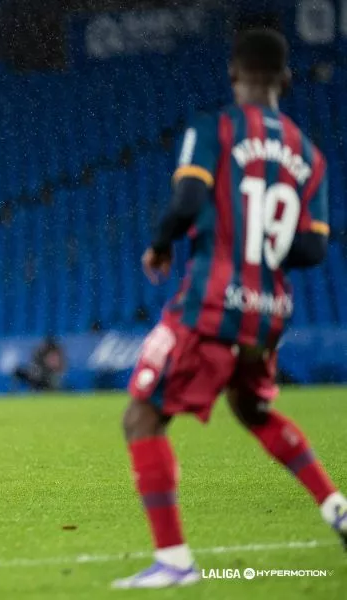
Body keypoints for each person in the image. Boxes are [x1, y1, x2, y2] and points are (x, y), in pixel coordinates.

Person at [114, 29, 346, 589]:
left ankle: (174, 562)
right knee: (253, 409)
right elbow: (314, 248)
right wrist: (262, 248)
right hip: (269, 310)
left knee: (143, 416)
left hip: (211, 300)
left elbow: (188, 199)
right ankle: (337, 507)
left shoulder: (213, 127)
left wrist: (161, 244)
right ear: (285, 81)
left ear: (233, 75)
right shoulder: (309, 156)